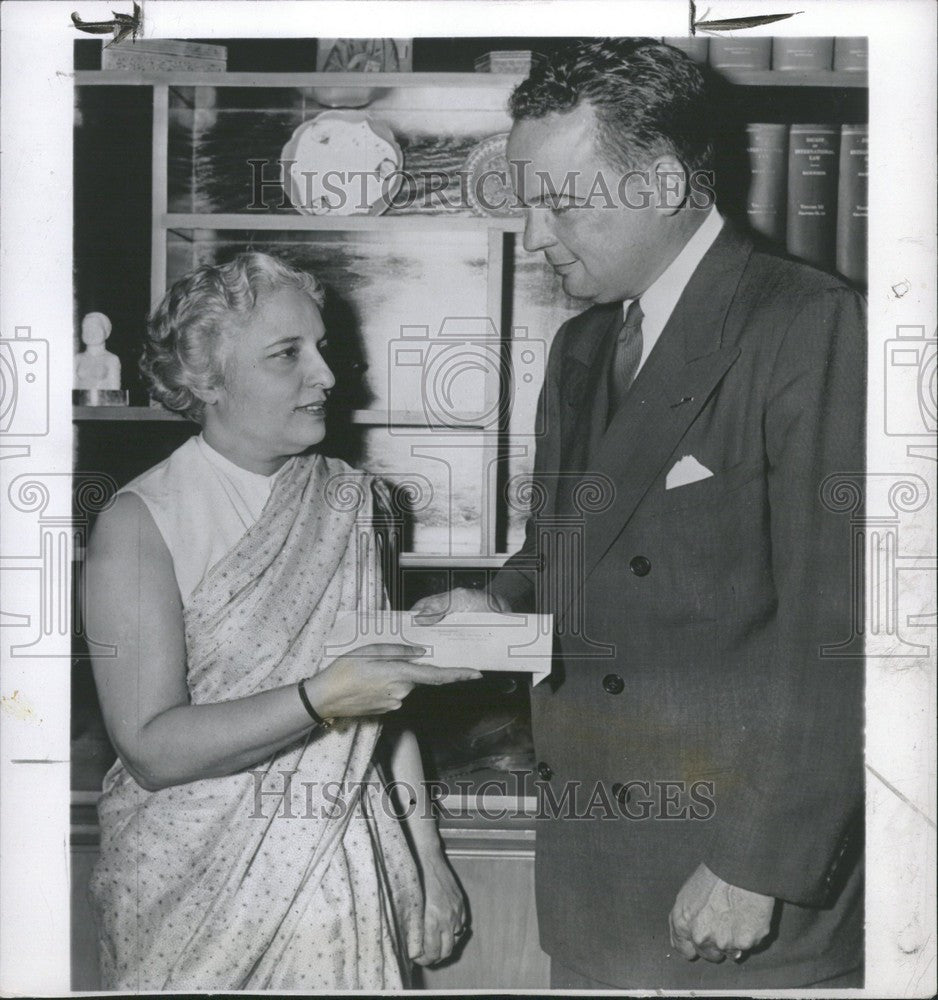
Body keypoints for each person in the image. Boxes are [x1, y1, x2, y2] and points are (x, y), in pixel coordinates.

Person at [412, 38, 865, 989]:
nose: (535, 236)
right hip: (596, 882)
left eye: (560, 201)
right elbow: (564, 555)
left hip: (737, 886)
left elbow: (844, 630)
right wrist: (498, 610)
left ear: (661, 183)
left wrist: (757, 865)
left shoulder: (810, 325)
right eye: (526, 201)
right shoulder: (583, 347)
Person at [85, 252, 482, 990]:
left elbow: (382, 711)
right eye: (286, 354)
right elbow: (150, 749)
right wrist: (318, 698)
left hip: (340, 869)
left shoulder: (354, 502)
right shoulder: (141, 523)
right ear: (206, 379)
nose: (327, 375)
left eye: (322, 348)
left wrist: (431, 859)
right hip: (190, 890)